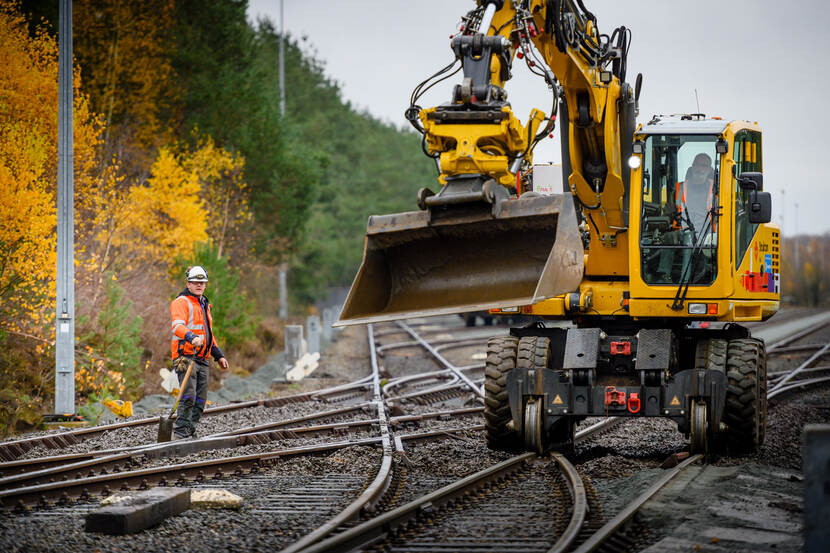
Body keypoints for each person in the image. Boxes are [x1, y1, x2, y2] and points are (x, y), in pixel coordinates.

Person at [169, 265, 229, 439]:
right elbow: (177, 326)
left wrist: (219, 356)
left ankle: (190, 431)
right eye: (195, 282)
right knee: (188, 396)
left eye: (202, 282)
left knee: (200, 400)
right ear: (188, 284)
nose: (199, 285)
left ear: (205, 284)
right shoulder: (181, 302)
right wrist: (190, 336)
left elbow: (209, 334)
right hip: (185, 356)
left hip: (202, 358)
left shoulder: (204, 304)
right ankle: (180, 433)